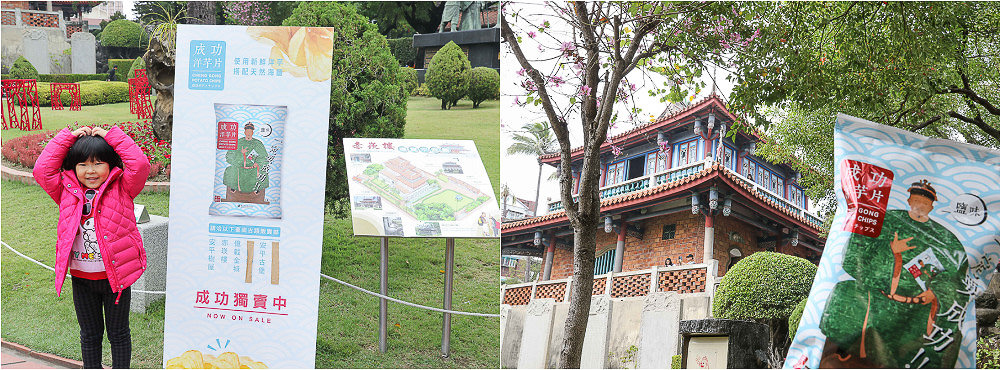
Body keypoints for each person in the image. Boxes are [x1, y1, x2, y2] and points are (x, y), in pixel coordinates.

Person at [32, 125, 151, 369]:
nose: (91, 171)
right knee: (89, 335)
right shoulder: (66, 191)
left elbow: (139, 165)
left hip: (115, 279)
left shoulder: (123, 187)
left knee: (118, 335)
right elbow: (42, 170)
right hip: (81, 279)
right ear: (74, 168)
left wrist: (111, 136)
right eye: (83, 164)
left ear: (110, 164)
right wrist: (67, 138)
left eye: (98, 163)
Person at [819, 180, 967, 368]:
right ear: (908, 200)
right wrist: (891, 252)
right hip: (878, 299)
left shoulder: (946, 239)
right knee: (843, 294)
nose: (919, 206)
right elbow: (850, 258)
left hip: (919, 310)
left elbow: (958, 279)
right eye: (916, 200)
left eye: (924, 203)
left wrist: (934, 291)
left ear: (931, 206)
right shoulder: (887, 220)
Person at [223, 123, 269, 194]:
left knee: (263, 173)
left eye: (250, 132)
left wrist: (257, 163)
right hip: (239, 167)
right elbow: (229, 155)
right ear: (244, 132)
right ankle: (234, 187)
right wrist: (240, 154)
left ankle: (257, 188)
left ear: (253, 133)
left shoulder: (257, 143)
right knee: (229, 171)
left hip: (253, 168)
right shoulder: (239, 142)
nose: (248, 133)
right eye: (247, 132)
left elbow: (264, 157)